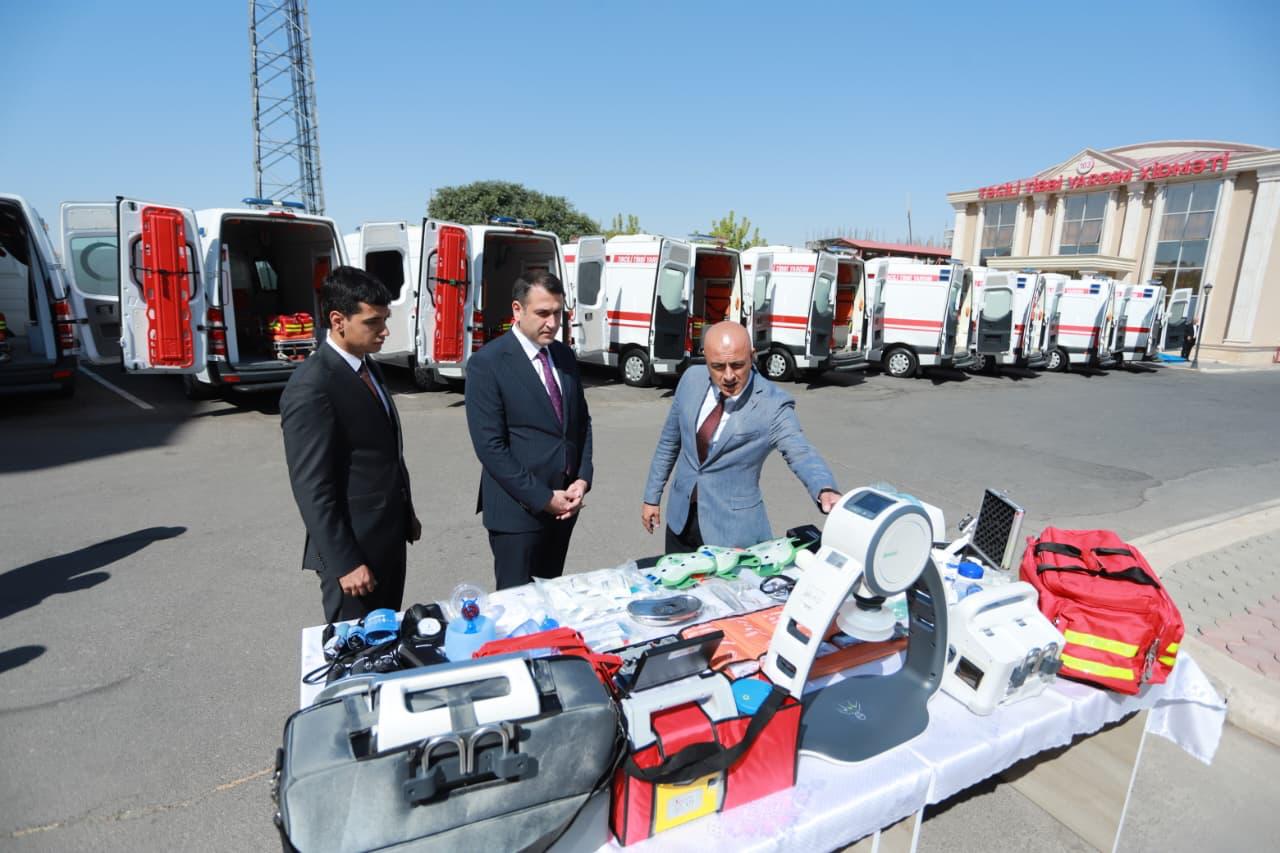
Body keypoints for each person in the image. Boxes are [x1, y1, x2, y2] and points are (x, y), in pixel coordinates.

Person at [280, 266, 421, 622]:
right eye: (373, 322)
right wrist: (345, 562)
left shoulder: (367, 366)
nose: (384, 331)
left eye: (385, 320)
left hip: (386, 538)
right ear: (338, 320)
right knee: (355, 647)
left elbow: (382, 453)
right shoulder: (312, 386)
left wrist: (405, 513)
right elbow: (312, 487)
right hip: (353, 555)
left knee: (386, 636)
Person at [642, 321, 840, 551]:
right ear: (705, 357)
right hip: (681, 521)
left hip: (732, 533)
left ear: (752, 356)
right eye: (718, 366)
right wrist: (651, 498)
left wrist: (824, 488)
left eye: (737, 365)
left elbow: (800, 451)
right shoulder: (691, 379)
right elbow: (669, 443)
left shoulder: (772, 404)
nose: (728, 376)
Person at [465, 270, 593, 589]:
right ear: (517, 310)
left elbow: (581, 423)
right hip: (517, 514)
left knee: (549, 597)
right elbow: (490, 447)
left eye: (558, 313)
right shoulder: (488, 363)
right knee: (517, 604)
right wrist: (542, 497)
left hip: (563, 508)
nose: (552, 323)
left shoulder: (563, 355)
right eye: (543, 313)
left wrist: (582, 478)